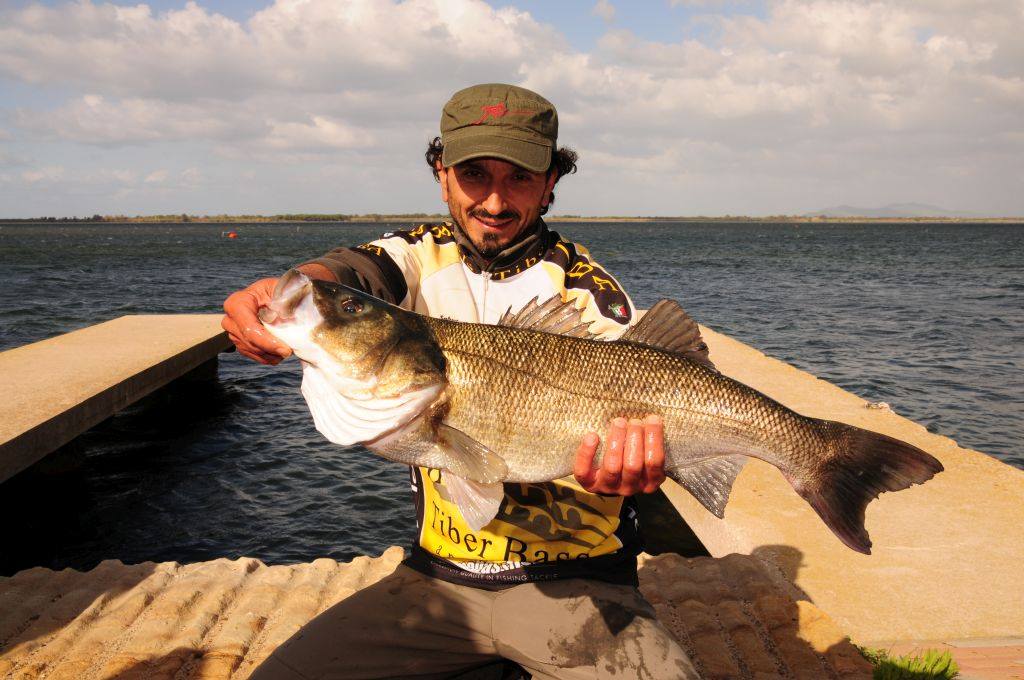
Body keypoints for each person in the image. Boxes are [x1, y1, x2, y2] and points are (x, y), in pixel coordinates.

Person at [225, 83, 700, 679]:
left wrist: (630, 473)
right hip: (437, 579)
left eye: (520, 178)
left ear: (551, 182)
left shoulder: (590, 296)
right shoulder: (414, 254)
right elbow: (355, 274)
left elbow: (653, 402)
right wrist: (288, 289)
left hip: (582, 584)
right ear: (441, 174)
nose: (495, 201)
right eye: (474, 174)